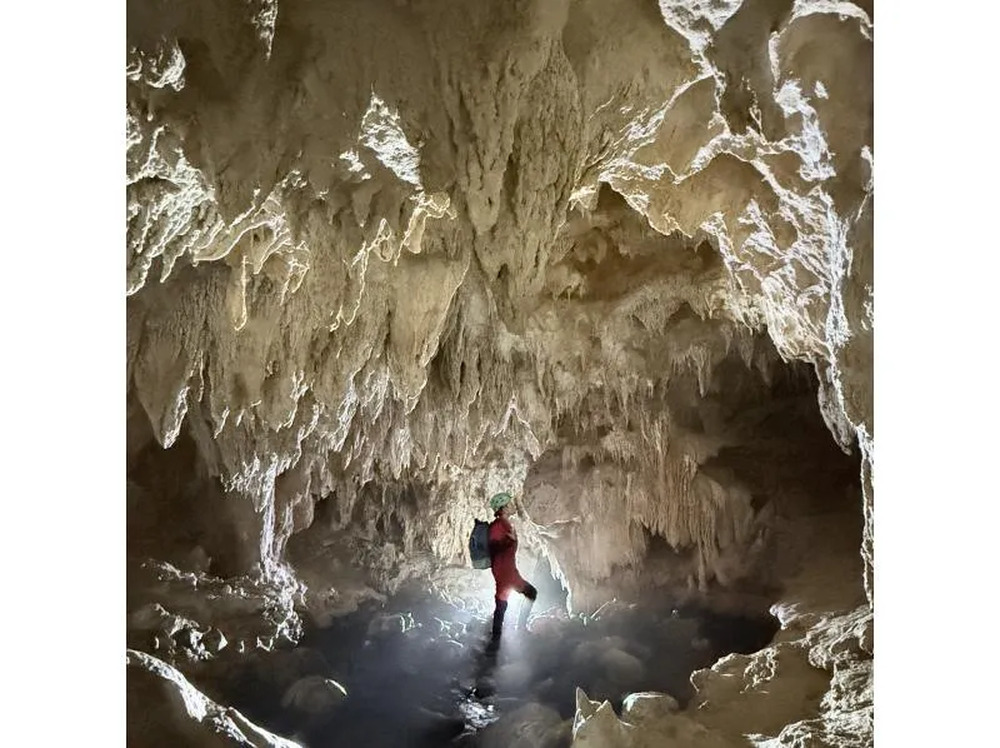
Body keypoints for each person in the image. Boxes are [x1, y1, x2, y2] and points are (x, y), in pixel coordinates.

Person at [487, 491, 537, 647]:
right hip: (505, 571)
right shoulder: (498, 525)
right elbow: (494, 546)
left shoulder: (504, 523)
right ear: (503, 507)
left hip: (505, 569)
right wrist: (509, 541)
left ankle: (495, 640)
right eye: (509, 503)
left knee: (502, 603)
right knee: (530, 593)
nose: (512, 505)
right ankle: (518, 629)